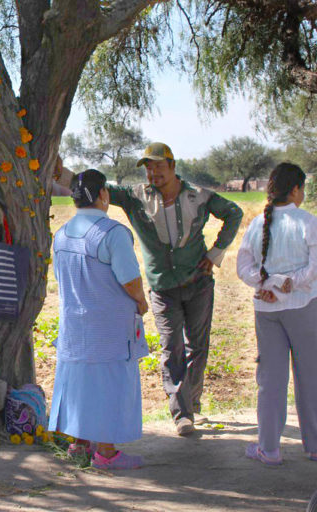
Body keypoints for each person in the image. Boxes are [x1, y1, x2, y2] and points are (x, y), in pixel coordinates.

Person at [108, 142, 243, 436]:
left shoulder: (199, 196)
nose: (152, 172)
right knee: (171, 347)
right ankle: (182, 413)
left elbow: (234, 213)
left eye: (158, 165)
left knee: (198, 347)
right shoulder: (136, 197)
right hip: (162, 288)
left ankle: (191, 402)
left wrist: (216, 252)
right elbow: (99, 188)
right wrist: (63, 174)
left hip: (198, 283)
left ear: (172, 166)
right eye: (148, 167)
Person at [50, 169, 149, 470]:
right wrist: (142, 302)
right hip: (109, 328)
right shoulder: (113, 233)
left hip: (74, 327)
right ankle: (106, 453)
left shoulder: (62, 234)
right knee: (109, 384)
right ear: (104, 195)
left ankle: (78, 445)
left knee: (78, 383)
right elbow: (130, 279)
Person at [236, 162, 317, 465]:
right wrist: (287, 285)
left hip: (266, 308)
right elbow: (314, 268)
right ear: (296, 189)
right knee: (310, 376)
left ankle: (269, 449)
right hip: (304, 307)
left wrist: (266, 283)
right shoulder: (307, 221)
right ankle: (314, 445)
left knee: (270, 379)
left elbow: (243, 266)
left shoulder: (258, 224)